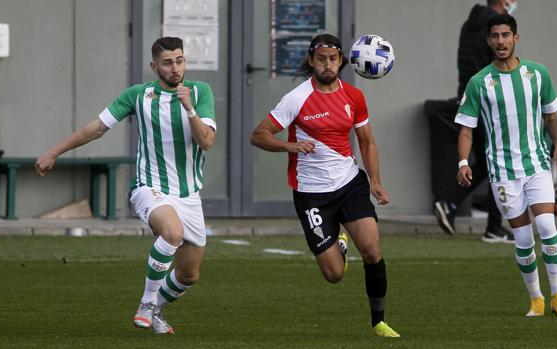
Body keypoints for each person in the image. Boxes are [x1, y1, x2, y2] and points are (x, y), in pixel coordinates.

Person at [35, 37, 217, 333]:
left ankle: (156, 309)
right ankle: (146, 303)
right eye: (168, 62)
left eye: (180, 61)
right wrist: (53, 152)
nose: (175, 68)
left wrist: (189, 109)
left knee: (189, 275)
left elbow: (206, 142)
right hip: (149, 186)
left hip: (189, 195)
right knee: (172, 233)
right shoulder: (138, 95)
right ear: (154, 66)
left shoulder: (199, 92)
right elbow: (96, 128)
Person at [250, 34, 400, 337]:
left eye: (333, 59)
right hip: (311, 195)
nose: (328, 64)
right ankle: (339, 242)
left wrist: (376, 181)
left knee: (372, 250)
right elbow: (259, 135)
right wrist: (289, 147)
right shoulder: (297, 98)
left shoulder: (354, 97)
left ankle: (379, 321)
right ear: (311, 61)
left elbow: (367, 141)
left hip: (349, 183)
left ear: (342, 60)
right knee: (334, 274)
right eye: (321, 59)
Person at [455, 14, 557, 317]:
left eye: (505, 35)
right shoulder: (479, 82)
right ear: (488, 41)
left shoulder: (537, 74)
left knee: (547, 225)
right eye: (495, 36)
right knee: (523, 238)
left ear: (515, 38)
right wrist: (462, 162)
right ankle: (536, 298)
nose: (500, 41)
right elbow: (467, 129)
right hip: (503, 173)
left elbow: (551, 116)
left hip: (536, 165)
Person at [433, 0, 518, 243]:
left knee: (488, 163)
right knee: (496, 162)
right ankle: (491, 226)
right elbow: (496, 67)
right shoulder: (492, 29)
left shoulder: (469, 24)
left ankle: (451, 204)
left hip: (469, 97)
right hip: (487, 102)